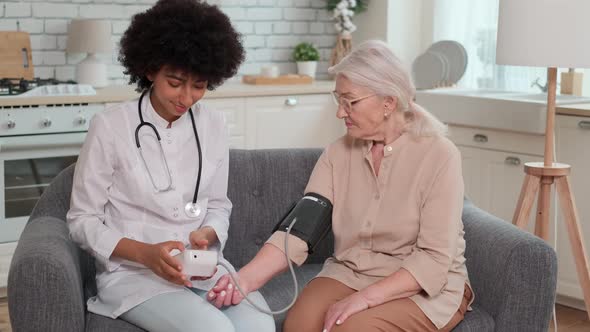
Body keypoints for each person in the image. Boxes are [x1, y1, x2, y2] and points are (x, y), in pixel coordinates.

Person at [209, 40, 474, 332]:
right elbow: (299, 232)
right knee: (298, 326)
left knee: (350, 328)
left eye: (351, 101)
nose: (340, 113)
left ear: (388, 101)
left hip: (421, 284)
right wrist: (243, 279)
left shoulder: (439, 155)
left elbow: (434, 259)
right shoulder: (337, 154)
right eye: (339, 100)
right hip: (350, 272)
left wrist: (364, 300)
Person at [66, 1, 275, 331]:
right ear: (150, 70)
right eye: (175, 82)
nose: (187, 98)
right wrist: (145, 254)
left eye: (199, 86)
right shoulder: (110, 126)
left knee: (259, 327)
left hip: (200, 266)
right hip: (135, 274)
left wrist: (207, 233)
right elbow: (82, 220)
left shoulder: (215, 125)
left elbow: (218, 205)